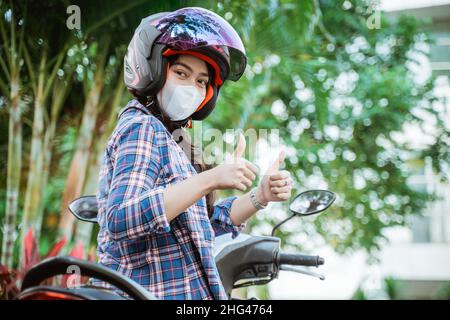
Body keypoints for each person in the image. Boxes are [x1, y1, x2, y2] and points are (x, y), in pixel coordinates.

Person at [95, 7, 293, 300]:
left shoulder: (175, 141)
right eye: (181, 73)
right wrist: (211, 179)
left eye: (201, 81)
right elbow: (122, 217)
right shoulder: (141, 126)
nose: (192, 87)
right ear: (154, 71)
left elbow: (203, 228)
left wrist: (259, 196)